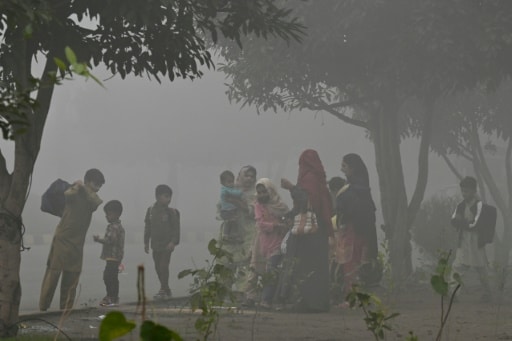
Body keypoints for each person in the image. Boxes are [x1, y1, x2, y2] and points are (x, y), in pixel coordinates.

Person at [39, 168, 105, 311]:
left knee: (72, 275)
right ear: (87, 181)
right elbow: (68, 195)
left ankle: (66, 308)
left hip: (77, 242)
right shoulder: (75, 193)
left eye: (100, 185)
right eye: (96, 184)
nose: (98, 188)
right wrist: (77, 186)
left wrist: (85, 188)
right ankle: (43, 307)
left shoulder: (91, 199)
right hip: (62, 239)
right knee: (53, 273)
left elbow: (96, 202)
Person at [277, 149, 333, 312]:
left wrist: (291, 187)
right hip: (319, 231)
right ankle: (317, 302)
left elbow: (307, 202)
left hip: (309, 234)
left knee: (305, 266)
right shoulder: (319, 180)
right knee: (317, 268)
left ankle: (308, 302)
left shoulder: (309, 179)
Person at [336, 153, 380, 305]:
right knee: (358, 261)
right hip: (361, 229)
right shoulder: (361, 188)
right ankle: (358, 297)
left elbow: (348, 208)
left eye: (345, 166)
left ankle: (353, 297)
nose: (342, 170)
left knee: (352, 261)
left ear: (353, 168)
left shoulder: (355, 189)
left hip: (355, 230)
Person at [451, 176, 492, 301]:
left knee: (482, 269)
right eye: (463, 191)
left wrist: (462, 222)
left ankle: (488, 293)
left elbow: (477, 224)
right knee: (457, 267)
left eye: (467, 191)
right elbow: (453, 220)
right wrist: (457, 221)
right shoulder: (461, 206)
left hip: (477, 242)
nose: (464, 194)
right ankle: (453, 294)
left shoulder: (480, 206)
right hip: (463, 242)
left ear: (474, 191)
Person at [252, 178, 289, 308]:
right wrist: (276, 225)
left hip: (279, 242)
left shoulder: (281, 206)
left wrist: (283, 225)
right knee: (262, 271)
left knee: (273, 270)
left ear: (271, 191)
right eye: (259, 192)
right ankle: (258, 297)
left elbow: (288, 220)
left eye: (264, 192)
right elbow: (261, 224)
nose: (262, 195)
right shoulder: (258, 206)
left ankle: (267, 300)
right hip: (264, 243)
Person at [144, 184, 180, 300]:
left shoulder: (172, 212)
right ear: (158, 197)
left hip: (167, 245)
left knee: (164, 266)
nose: (168, 199)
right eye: (166, 196)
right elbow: (147, 228)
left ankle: (163, 290)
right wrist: (146, 242)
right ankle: (166, 288)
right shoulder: (150, 211)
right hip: (155, 245)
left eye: (170, 197)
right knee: (157, 267)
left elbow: (176, 229)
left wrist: (173, 242)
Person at [93, 200, 125, 307]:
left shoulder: (114, 227)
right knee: (111, 276)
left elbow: (111, 240)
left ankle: (112, 297)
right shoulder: (114, 226)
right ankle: (112, 296)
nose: (106, 216)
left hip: (113, 256)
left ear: (116, 214)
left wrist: (98, 240)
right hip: (113, 256)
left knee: (109, 276)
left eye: (108, 214)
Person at [327, 176, 346, 305]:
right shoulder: (336, 200)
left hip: (338, 238)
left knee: (336, 268)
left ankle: (336, 296)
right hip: (334, 238)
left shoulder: (341, 201)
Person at [219, 170, 245, 242]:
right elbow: (234, 193)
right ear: (222, 183)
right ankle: (225, 235)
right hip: (227, 211)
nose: (231, 184)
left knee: (233, 222)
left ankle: (232, 235)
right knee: (229, 221)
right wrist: (241, 192)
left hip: (231, 210)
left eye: (232, 181)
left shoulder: (229, 188)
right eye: (229, 182)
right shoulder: (225, 190)